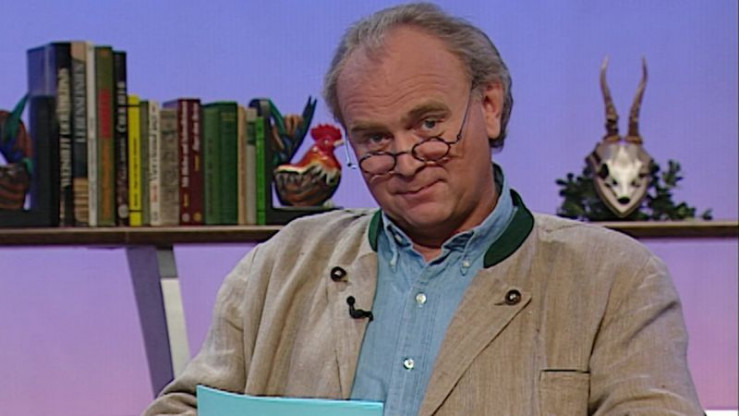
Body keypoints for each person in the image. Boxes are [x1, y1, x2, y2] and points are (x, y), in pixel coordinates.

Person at [144, 3, 703, 415]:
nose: (407, 162)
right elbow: (182, 407)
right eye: (375, 139)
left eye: (429, 125)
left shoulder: (615, 279)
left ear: (489, 106)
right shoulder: (281, 264)